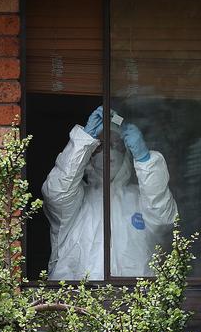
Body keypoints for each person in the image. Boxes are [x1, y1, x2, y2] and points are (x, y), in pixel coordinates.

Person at [42, 106, 177, 281]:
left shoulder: (140, 198)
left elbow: (164, 218)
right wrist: (83, 141)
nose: (109, 151)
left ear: (127, 152)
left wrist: (146, 161)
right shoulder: (76, 200)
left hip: (136, 304)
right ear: (89, 154)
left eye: (117, 145)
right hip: (75, 301)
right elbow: (57, 192)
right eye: (101, 146)